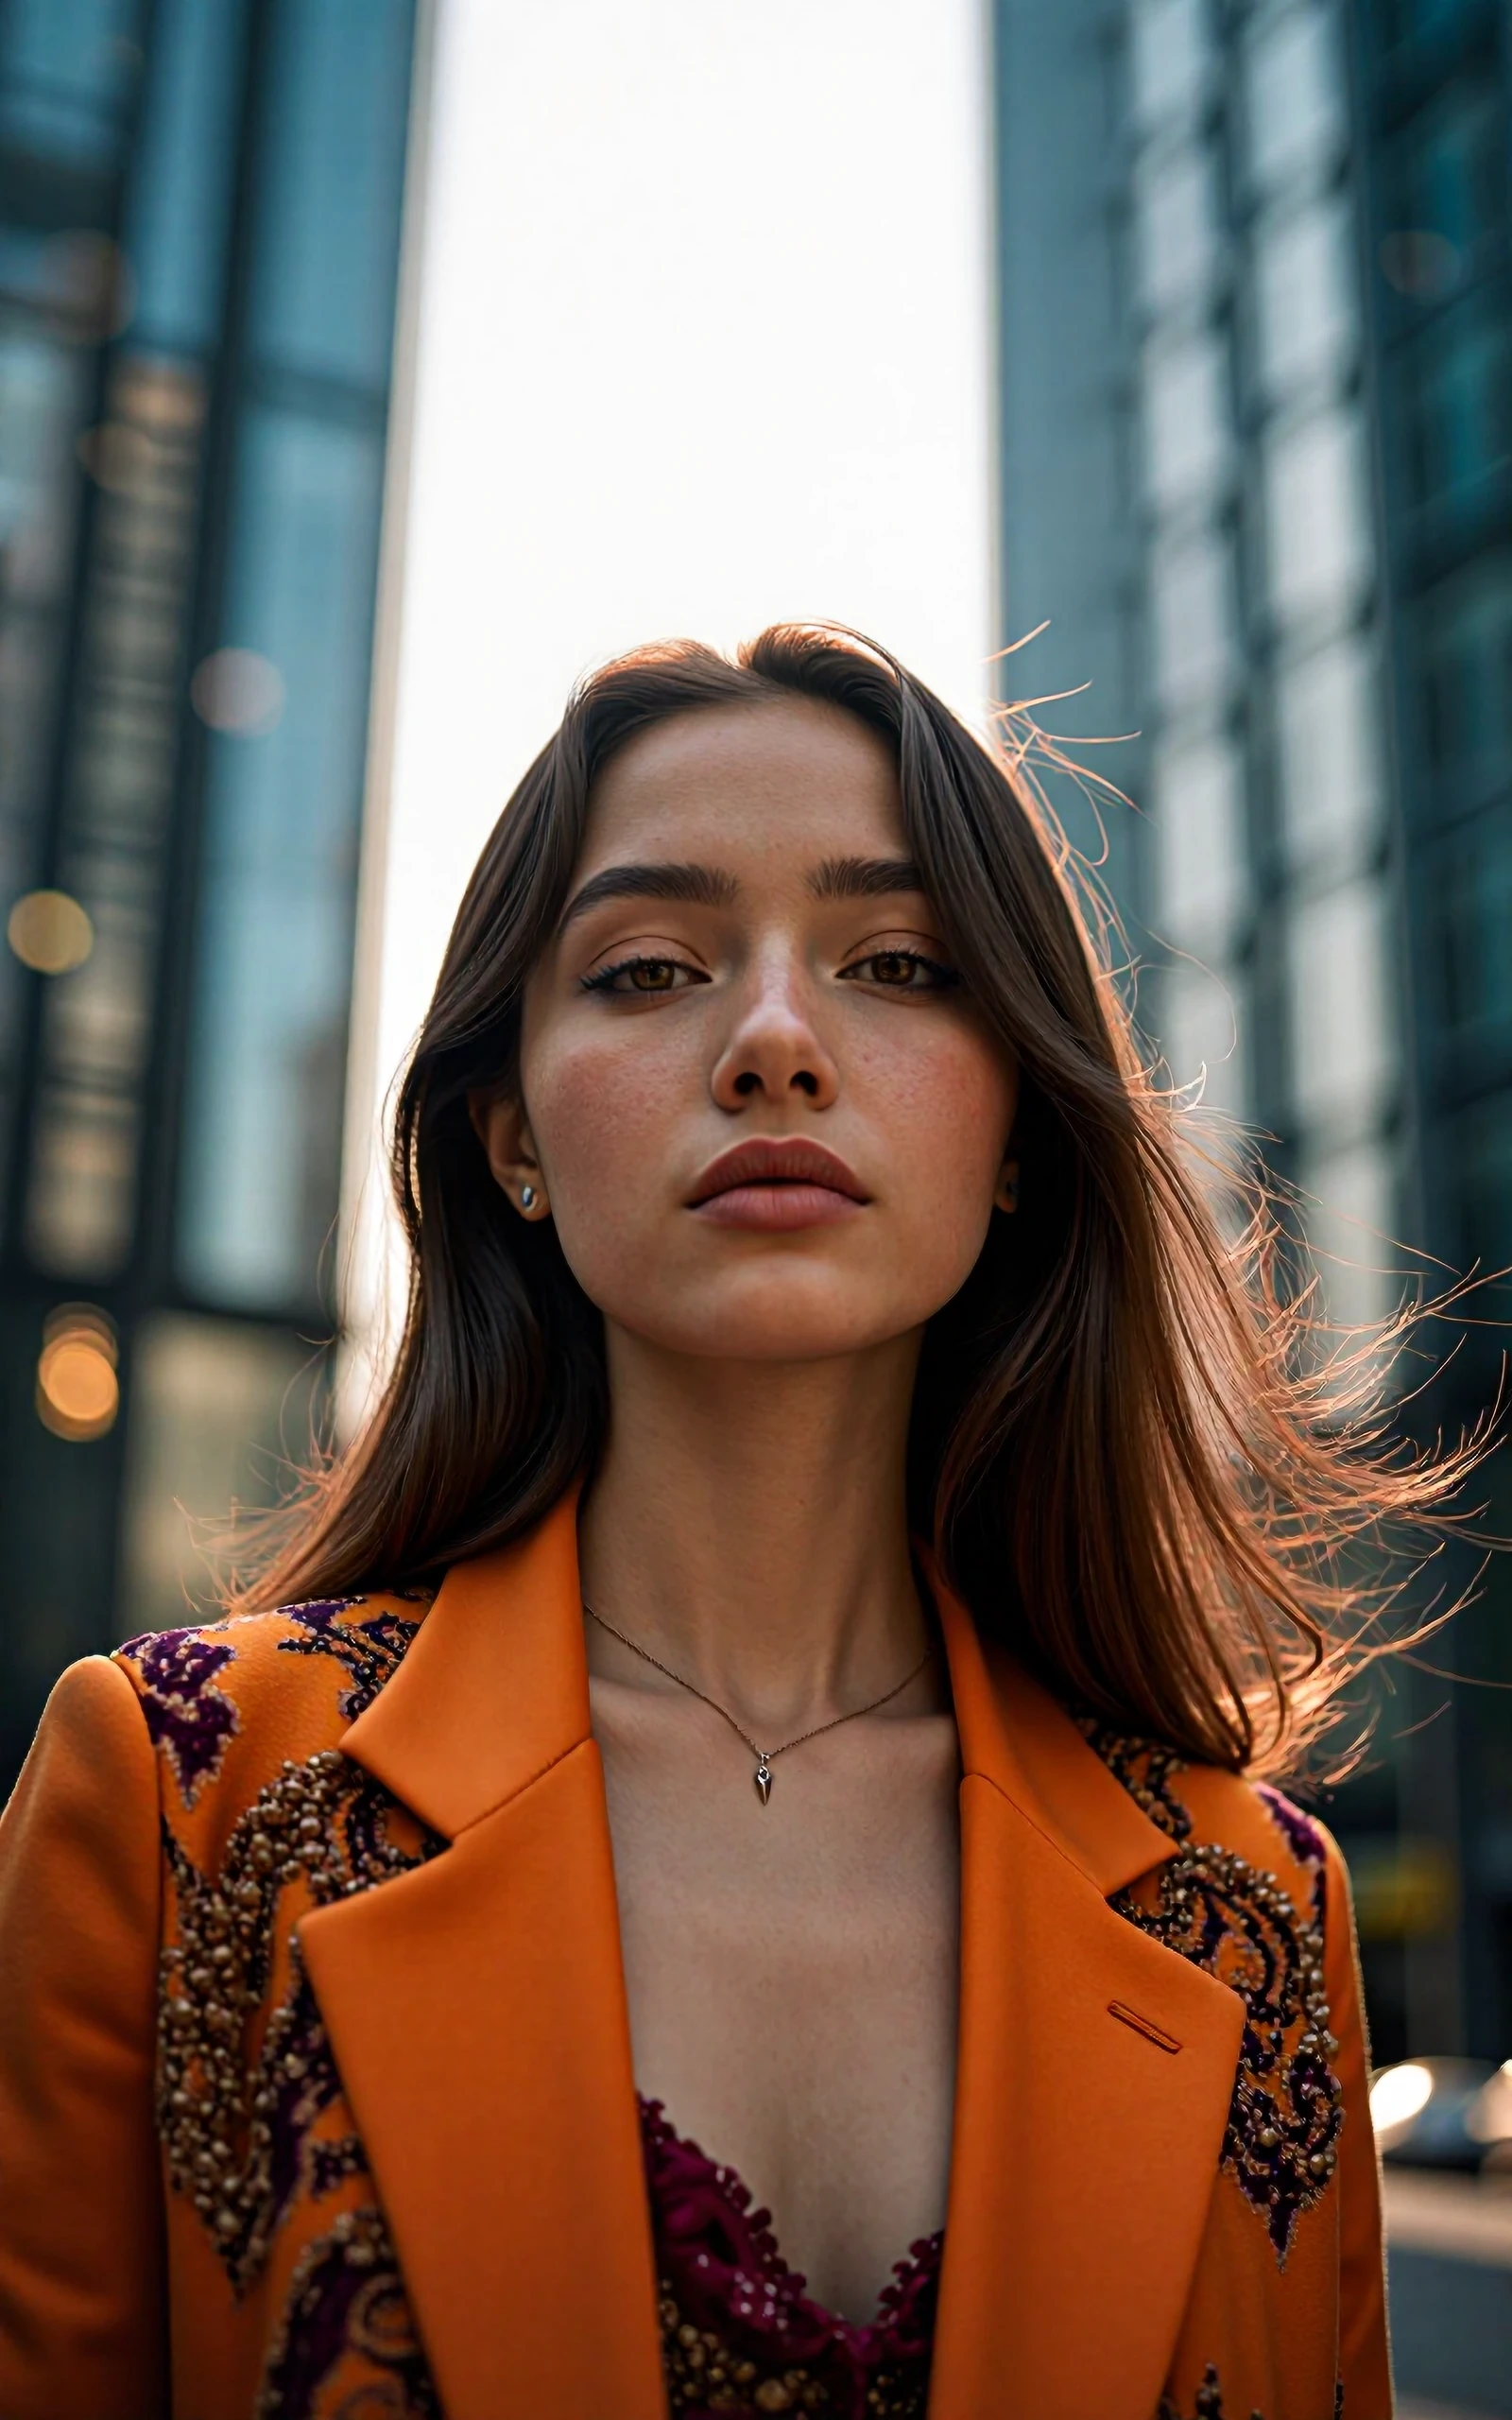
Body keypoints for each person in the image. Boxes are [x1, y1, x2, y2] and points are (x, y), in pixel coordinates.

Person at [0, 625, 1457, 2418]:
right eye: (652, 967)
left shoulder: (1257, 1908)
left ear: (1016, 1127)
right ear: (508, 1135)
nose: (773, 1039)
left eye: (899, 960)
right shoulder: (176, 1800)